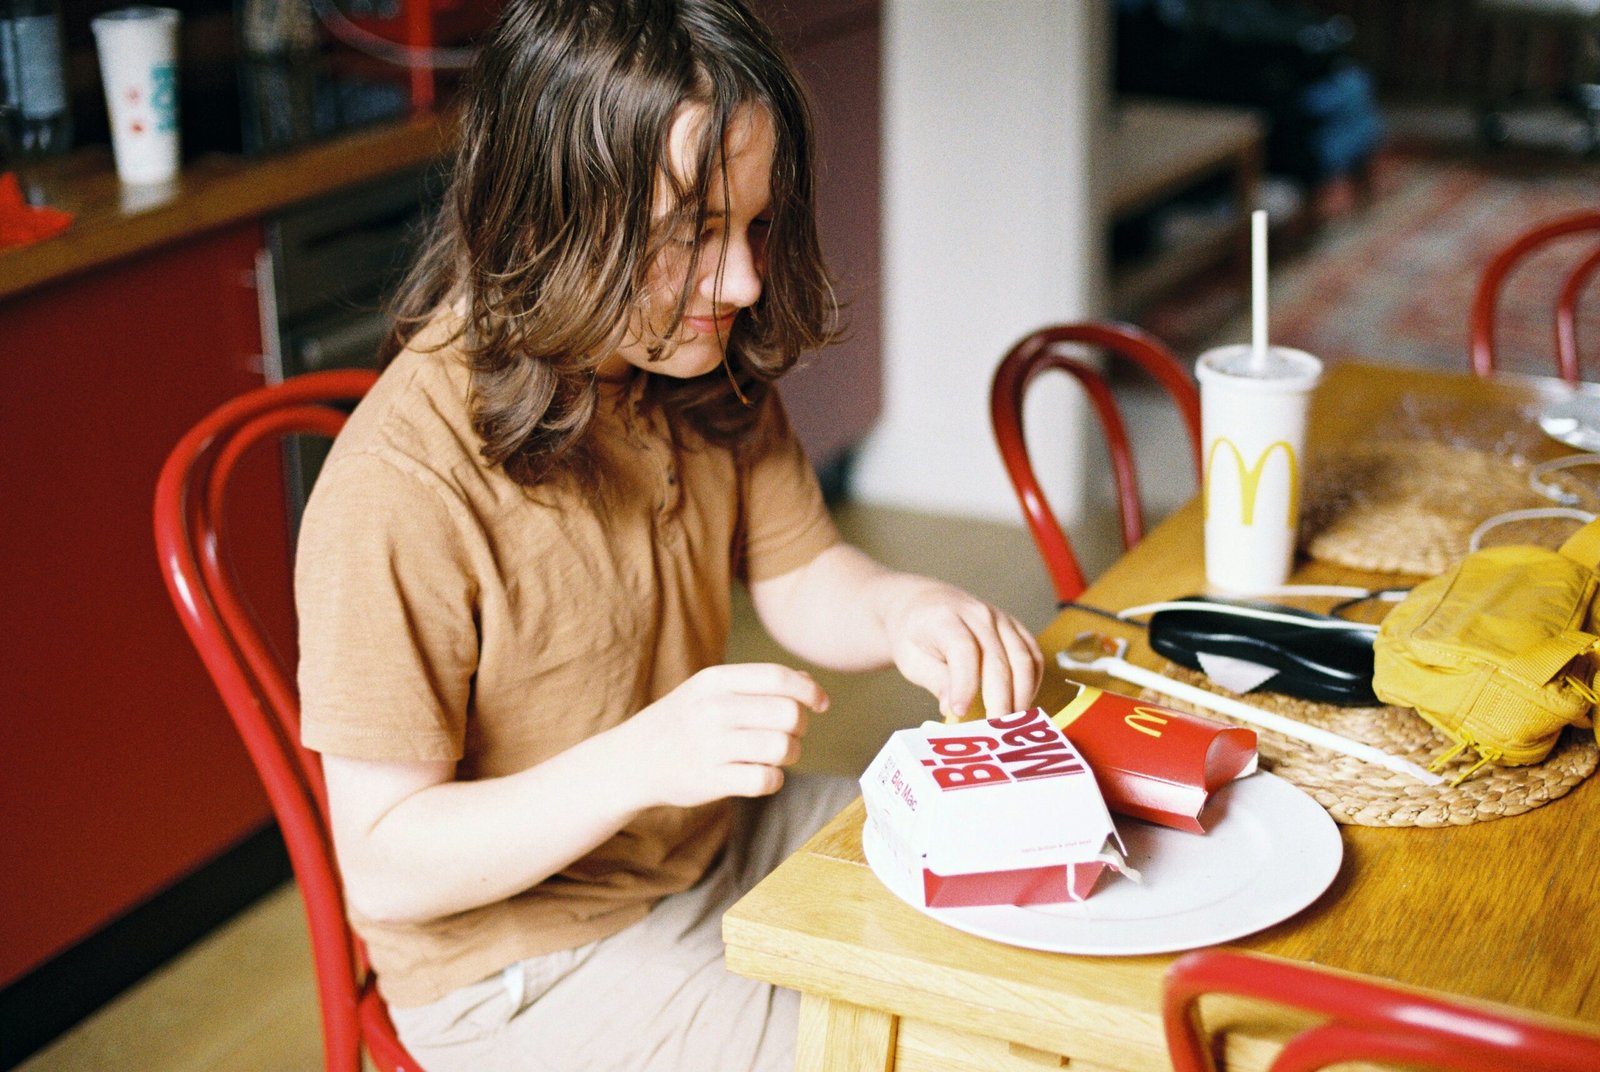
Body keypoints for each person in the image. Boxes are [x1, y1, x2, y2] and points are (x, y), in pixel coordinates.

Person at [294, 1, 1043, 1069]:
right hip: (525, 962)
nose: (739, 282)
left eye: (754, 226)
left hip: (712, 843)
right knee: (919, 1047)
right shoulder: (399, 484)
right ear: (551, 220)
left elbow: (804, 572)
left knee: (1030, 910)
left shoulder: (689, 363)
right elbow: (384, 861)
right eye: (691, 237)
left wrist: (902, 607)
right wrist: (645, 756)